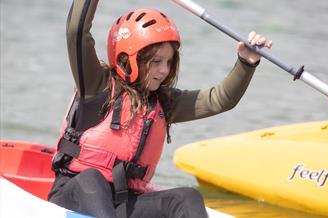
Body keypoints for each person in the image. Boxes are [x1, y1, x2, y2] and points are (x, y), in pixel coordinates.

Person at [48, 0, 272, 218]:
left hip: (124, 204)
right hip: (74, 193)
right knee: (92, 178)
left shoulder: (165, 103)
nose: (164, 70)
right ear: (128, 58)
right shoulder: (96, 85)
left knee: (187, 197)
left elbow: (219, 99)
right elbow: (76, 32)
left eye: (169, 62)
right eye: (156, 61)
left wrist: (246, 62)